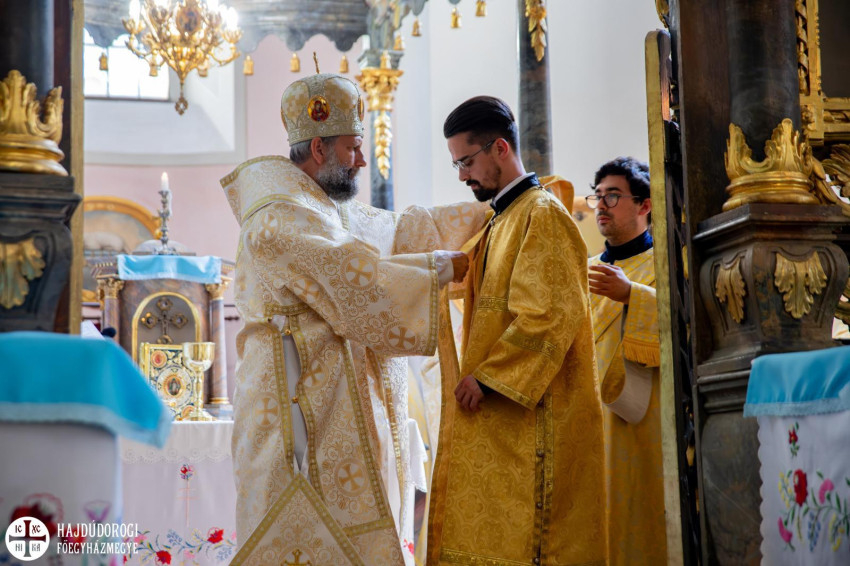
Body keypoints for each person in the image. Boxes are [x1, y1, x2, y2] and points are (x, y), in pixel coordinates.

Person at [221, 73, 489, 566]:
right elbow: (356, 281)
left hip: (344, 411)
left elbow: (402, 230)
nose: (362, 160)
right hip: (296, 417)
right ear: (318, 148)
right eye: (353, 147)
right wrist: (437, 268)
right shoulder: (276, 217)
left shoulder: (324, 210)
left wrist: (495, 213)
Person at [426, 96, 607, 566]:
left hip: (536, 419)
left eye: (466, 162)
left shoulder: (541, 214)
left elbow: (549, 315)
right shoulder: (502, 219)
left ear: (500, 148)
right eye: (456, 165)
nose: (462, 176)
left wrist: (488, 378)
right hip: (505, 420)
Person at [586, 157, 665, 565]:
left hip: (644, 416)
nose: (601, 205)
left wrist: (633, 295)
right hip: (588, 418)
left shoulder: (667, 264)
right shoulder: (584, 271)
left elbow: (686, 325)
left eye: (613, 196)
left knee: (640, 509)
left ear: (644, 205)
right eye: (597, 196)